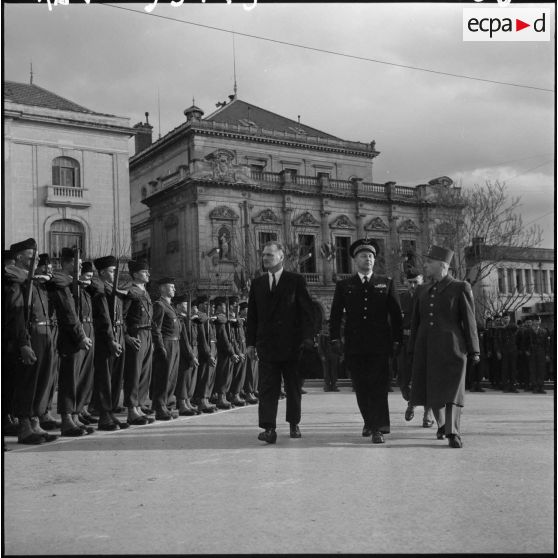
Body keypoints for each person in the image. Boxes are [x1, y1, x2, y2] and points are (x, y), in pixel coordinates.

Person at [329, 238, 402, 444]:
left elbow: (396, 315)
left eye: (371, 256)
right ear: (355, 260)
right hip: (355, 345)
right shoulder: (345, 285)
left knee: (379, 386)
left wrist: (397, 340)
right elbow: (335, 315)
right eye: (363, 256)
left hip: (380, 345)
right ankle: (368, 421)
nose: (368, 259)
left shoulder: (385, 283)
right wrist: (335, 338)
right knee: (361, 386)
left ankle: (378, 427)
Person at [409, 245, 480, 449]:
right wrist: (412, 347)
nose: (425, 265)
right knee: (433, 389)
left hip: (453, 348)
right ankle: (441, 425)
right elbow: (416, 322)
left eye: (429, 262)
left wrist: (474, 349)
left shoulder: (460, 287)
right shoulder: (422, 290)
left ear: (442, 265)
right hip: (426, 348)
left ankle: (453, 431)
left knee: (452, 390)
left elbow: (469, 321)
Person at [246, 241, 315, 443]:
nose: (265, 258)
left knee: (293, 387)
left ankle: (294, 423)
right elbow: (253, 317)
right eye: (264, 255)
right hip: (267, 346)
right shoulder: (257, 283)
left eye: (270, 255)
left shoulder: (295, 280)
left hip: (292, 345)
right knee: (267, 388)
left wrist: (308, 338)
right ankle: (269, 428)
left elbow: (307, 313)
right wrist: (250, 343)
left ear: (281, 257)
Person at [4, 238, 58, 444]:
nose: (35, 260)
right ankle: (24, 426)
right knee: (27, 382)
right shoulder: (14, 282)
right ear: (18, 257)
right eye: (30, 256)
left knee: (41, 381)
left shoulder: (33, 282)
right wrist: (23, 344)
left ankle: (35, 421)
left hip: (43, 336)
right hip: (28, 337)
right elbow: (16, 317)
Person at [51, 248, 95, 436]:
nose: (79, 267)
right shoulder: (61, 283)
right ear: (66, 263)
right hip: (71, 337)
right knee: (70, 378)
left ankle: (75, 415)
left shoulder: (76, 285)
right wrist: (80, 336)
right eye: (76, 263)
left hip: (82, 335)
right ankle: (67, 418)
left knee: (81, 378)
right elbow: (69, 314)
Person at [91, 256, 129, 430]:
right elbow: (104, 319)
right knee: (105, 378)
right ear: (102, 272)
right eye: (112, 271)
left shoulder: (113, 290)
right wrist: (111, 340)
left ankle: (111, 411)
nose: (115, 275)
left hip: (119, 334)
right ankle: (104, 414)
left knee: (116, 377)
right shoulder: (100, 290)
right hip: (107, 338)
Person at [398, 269, 434, 427]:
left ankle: (428, 413)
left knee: (426, 378)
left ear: (422, 282)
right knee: (403, 377)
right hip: (405, 342)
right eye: (410, 282)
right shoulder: (400, 299)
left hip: (422, 343)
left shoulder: (428, 298)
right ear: (405, 282)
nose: (413, 285)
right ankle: (411, 401)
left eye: (416, 282)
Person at [122, 259, 155, 425]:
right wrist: (126, 336)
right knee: (133, 373)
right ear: (135, 274)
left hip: (147, 333)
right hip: (136, 334)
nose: (148, 274)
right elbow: (121, 317)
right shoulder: (130, 291)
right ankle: (131, 409)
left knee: (144, 373)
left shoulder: (145, 292)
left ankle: (139, 406)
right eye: (144, 272)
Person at [151, 277, 181, 420]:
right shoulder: (159, 305)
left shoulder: (170, 305)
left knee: (171, 377)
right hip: (167, 343)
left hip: (175, 343)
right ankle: (159, 407)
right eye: (171, 287)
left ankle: (167, 405)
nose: (174, 289)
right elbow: (156, 329)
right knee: (163, 376)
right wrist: (160, 346)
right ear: (162, 288)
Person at [174, 294, 199, 416]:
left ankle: (187, 401)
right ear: (178, 306)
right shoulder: (180, 318)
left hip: (191, 349)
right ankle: (182, 403)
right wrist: (190, 354)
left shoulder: (188, 318)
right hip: (182, 350)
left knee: (188, 377)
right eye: (185, 304)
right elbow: (184, 339)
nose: (188, 306)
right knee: (183, 378)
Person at [192, 295, 218, 413]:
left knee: (209, 376)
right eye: (206, 305)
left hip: (212, 348)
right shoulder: (201, 318)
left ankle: (206, 398)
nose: (209, 307)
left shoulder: (207, 318)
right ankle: (202, 400)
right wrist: (208, 354)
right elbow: (202, 338)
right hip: (205, 351)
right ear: (200, 305)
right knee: (204, 376)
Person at [493, 312, 519, 393]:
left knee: (513, 369)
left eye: (507, 318)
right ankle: (505, 386)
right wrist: (498, 352)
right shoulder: (499, 329)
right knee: (505, 369)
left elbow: (515, 327)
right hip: (504, 352)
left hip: (513, 351)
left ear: (509, 318)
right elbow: (496, 341)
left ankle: (513, 386)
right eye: (504, 318)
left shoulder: (512, 326)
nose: (506, 319)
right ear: (502, 319)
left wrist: (505, 326)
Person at [523, 314, 550, 394]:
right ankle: (534, 387)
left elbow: (547, 344)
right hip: (532, 352)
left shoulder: (544, 331)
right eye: (535, 321)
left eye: (538, 320)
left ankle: (541, 387)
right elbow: (524, 343)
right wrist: (526, 351)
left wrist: (547, 354)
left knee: (541, 370)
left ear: (540, 321)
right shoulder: (528, 331)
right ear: (533, 322)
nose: (536, 322)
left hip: (541, 352)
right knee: (533, 370)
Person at [240, 301, 259, 404]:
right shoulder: (242, 321)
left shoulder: (250, 321)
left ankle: (252, 391)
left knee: (254, 372)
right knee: (249, 373)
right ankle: (248, 392)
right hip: (246, 348)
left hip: (253, 347)